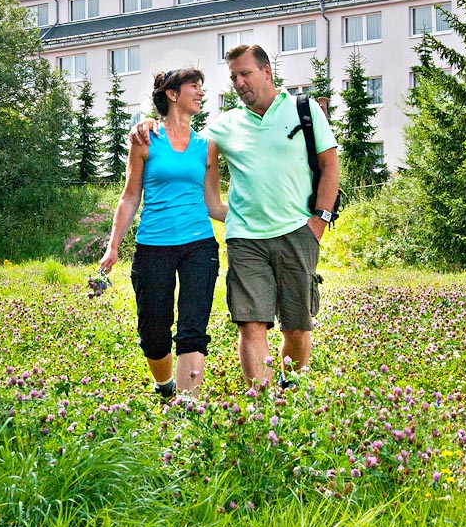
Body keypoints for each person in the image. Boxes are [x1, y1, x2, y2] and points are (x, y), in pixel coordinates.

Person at [132, 44, 339, 389]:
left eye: (245, 74)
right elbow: (182, 137)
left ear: (267, 72)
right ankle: (262, 401)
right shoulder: (222, 127)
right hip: (245, 238)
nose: (239, 82)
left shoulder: (304, 109)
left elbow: (330, 165)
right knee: (250, 322)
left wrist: (319, 220)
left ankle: (289, 385)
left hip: (298, 231)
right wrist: (151, 122)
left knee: (297, 327)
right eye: (233, 77)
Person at [99, 68, 227, 399]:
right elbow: (129, 197)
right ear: (172, 94)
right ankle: (165, 385)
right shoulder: (145, 140)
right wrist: (112, 247)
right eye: (194, 86)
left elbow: (214, 205)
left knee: (193, 329)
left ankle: (187, 407)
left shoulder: (206, 146)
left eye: (202, 86)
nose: (201, 92)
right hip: (153, 246)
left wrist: (260, 216)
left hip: (199, 246)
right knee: (154, 334)